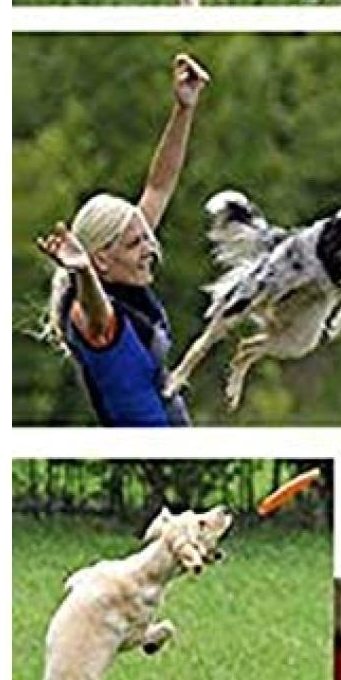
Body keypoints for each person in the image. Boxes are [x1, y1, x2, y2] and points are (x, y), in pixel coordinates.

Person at [36, 53, 211, 426]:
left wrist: (183, 110)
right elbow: (99, 314)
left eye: (144, 240)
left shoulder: (121, 265)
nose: (149, 250)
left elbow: (159, 185)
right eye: (135, 245)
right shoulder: (89, 316)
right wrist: (82, 273)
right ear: (101, 259)